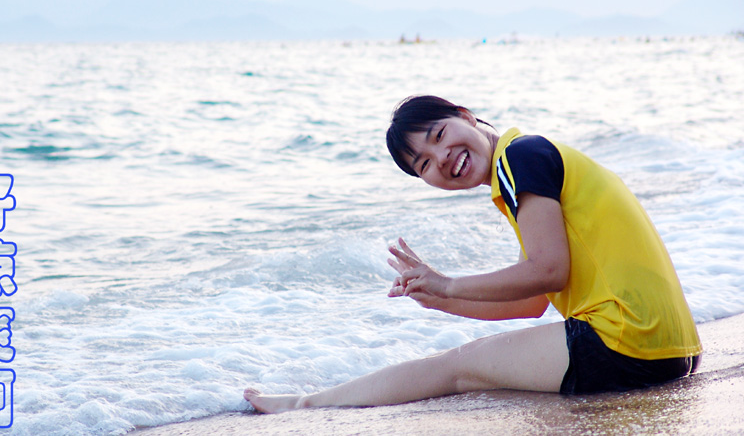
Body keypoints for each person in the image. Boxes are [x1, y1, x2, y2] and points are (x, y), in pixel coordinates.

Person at [244, 95, 702, 413]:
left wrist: (448, 284)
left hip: (627, 343)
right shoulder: (523, 165)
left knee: (456, 368)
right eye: (424, 163)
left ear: (466, 115)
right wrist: (443, 300)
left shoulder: (520, 158)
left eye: (440, 135)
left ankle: (304, 405)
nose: (442, 157)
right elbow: (534, 300)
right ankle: (309, 401)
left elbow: (548, 271)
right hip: (670, 348)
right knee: (468, 360)